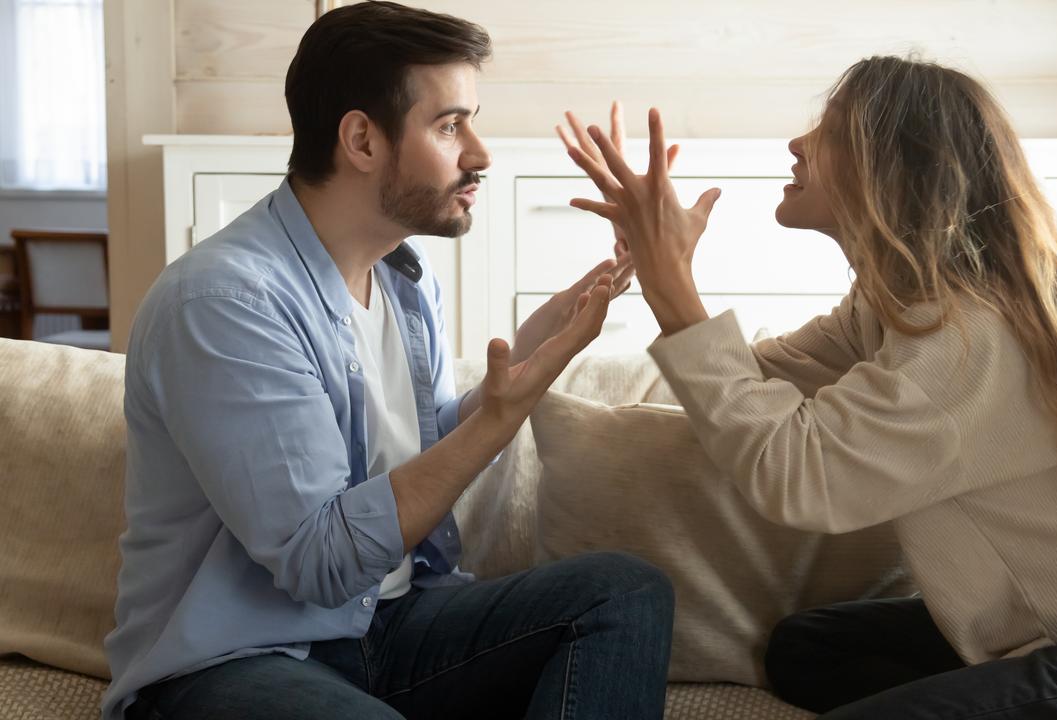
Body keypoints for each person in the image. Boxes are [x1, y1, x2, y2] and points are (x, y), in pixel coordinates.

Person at [560, 55, 1057, 719]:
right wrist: (661, 278)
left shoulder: (972, 336)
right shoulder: (899, 304)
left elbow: (800, 474)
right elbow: (751, 384)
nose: (797, 144)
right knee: (806, 651)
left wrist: (673, 283)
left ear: (893, 170)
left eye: (830, 132)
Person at [101, 4, 676, 719]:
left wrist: (538, 354)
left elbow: (421, 443)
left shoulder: (403, 277)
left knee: (623, 592)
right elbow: (320, 562)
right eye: (449, 125)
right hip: (239, 660)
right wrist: (501, 418)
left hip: (390, 626)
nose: (481, 153)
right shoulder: (224, 303)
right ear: (362, 140)